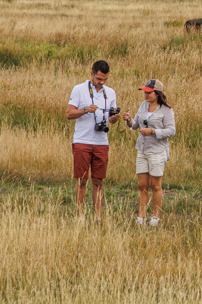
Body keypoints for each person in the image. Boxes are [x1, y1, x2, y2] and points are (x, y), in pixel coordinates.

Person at [67, 60, 117, 221]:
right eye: (99, 79)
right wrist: (85, 110)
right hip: (82, 140)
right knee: (82, 180)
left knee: (98, 180)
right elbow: (69, 114)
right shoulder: (79, 89)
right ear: (91, 74)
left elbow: (111, 119)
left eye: (105, 80)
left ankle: (97, 216)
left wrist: (114, 118)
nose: (101, 82)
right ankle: (80, 214)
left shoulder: (110, 93)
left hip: (101, 142)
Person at [122, 78, 176, 226]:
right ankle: (141, 216)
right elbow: (135, 125)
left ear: (157, 93)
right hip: (142, 149)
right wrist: (129, 120)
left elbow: (171, 131)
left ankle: (155, 217)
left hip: (157, 151)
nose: (145, 95)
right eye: (144, 92)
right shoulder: (143, 106)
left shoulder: (167, 110)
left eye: (148, 92)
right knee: (142, 185)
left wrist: (152, 131)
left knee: (156, 186)